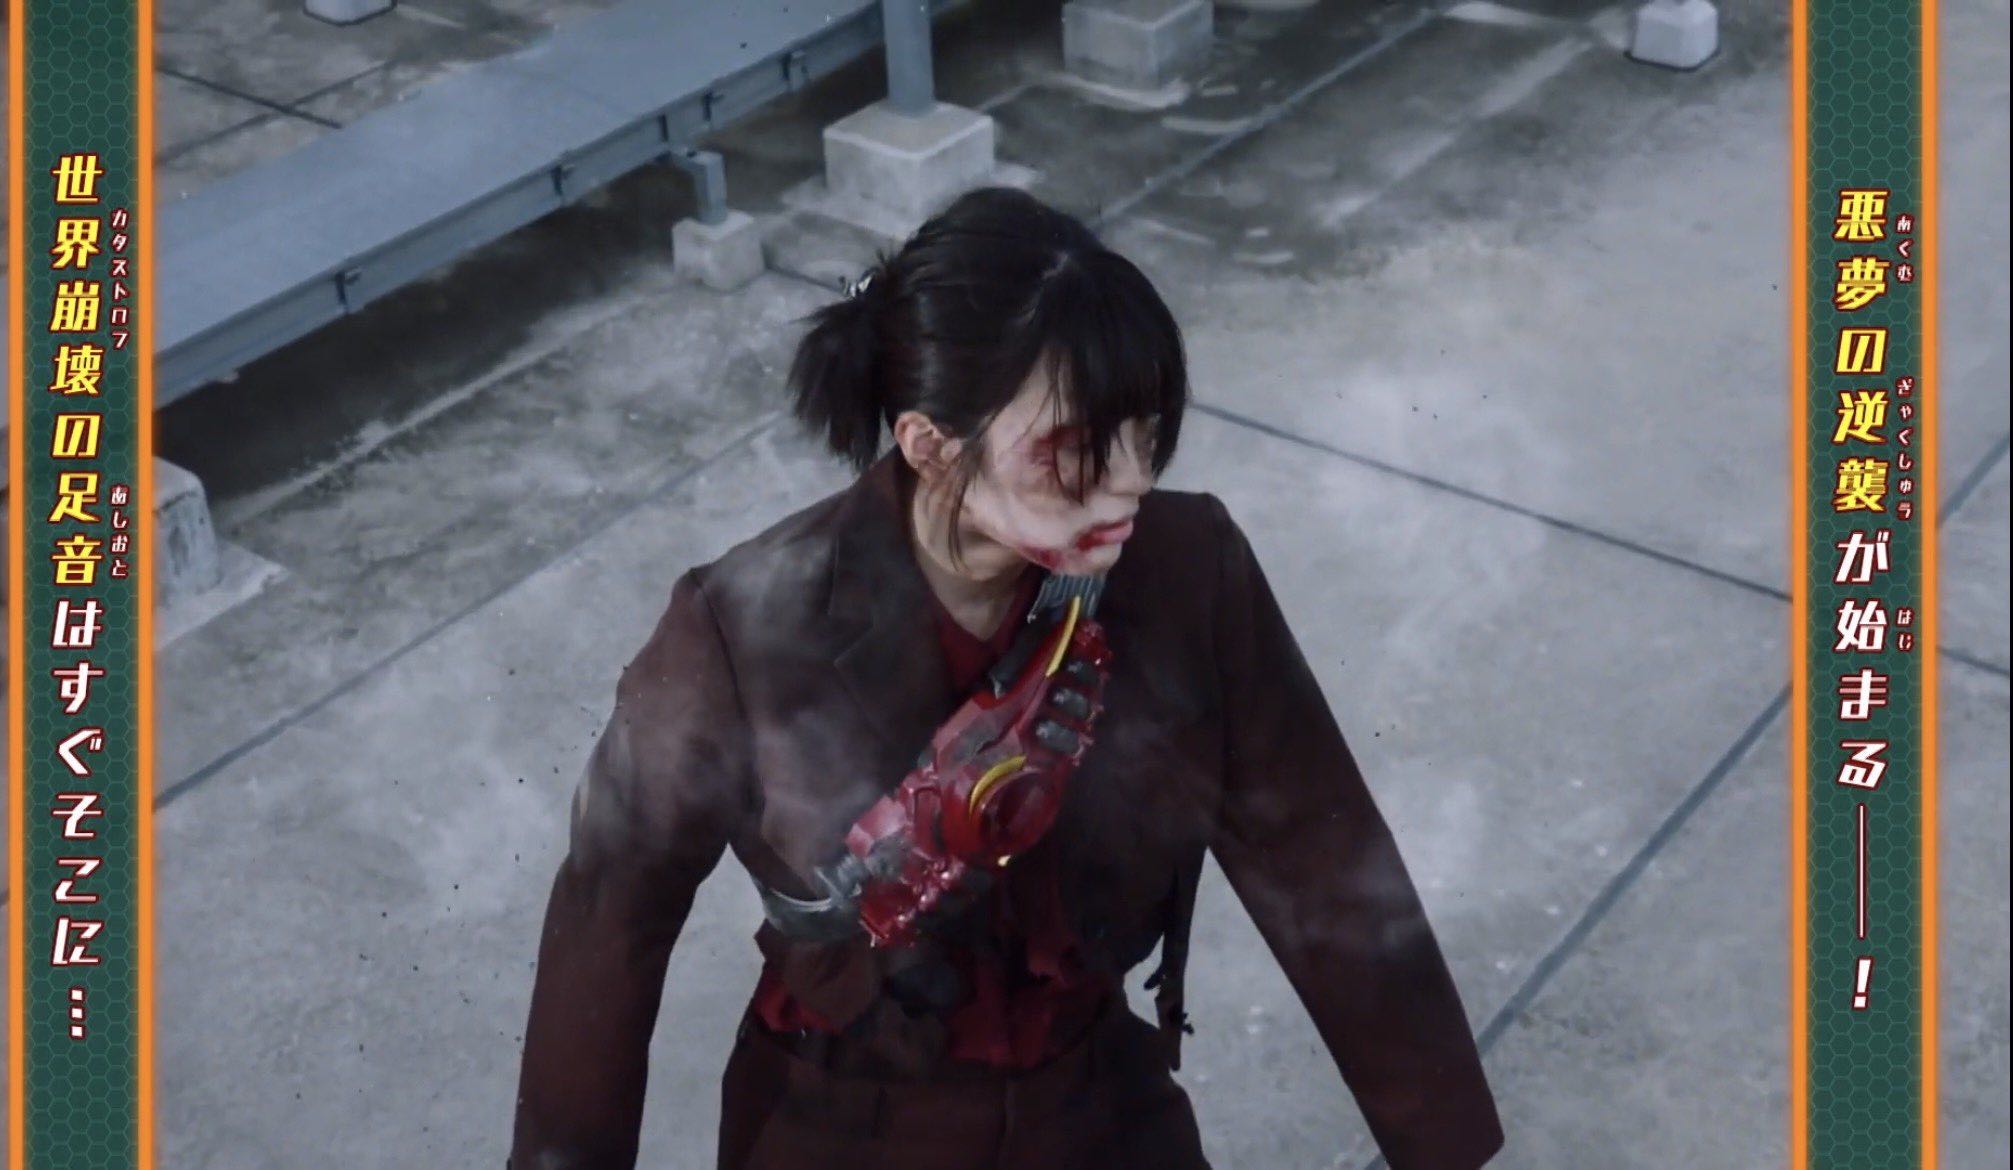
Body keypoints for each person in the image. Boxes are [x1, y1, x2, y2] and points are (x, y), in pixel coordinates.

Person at [508, 186, 1502, 1170]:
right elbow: (610, 914)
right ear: (932, 448)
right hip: (846, 1122)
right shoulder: (741, 627)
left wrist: (1444, 1148)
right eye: (1074, 453)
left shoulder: (1187, 568)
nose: (1130, 484)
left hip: (1100, 1105)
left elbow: (1322, 860)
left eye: (1144, 434)